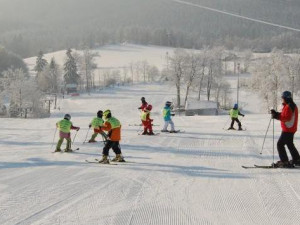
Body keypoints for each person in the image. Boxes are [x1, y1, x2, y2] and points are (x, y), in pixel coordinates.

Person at [271, 91, 300, 168]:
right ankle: (297, 159)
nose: (282, 99)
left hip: (288, 129)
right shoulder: (290, 105)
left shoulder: (289, 106)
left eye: (283, 98)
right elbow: (285, 115)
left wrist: (276, 116)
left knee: (280, 144)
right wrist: (276, 114)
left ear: (286, 98)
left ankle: (285, 162)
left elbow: (287, 118)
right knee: (290, 144)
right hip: (290, 128)